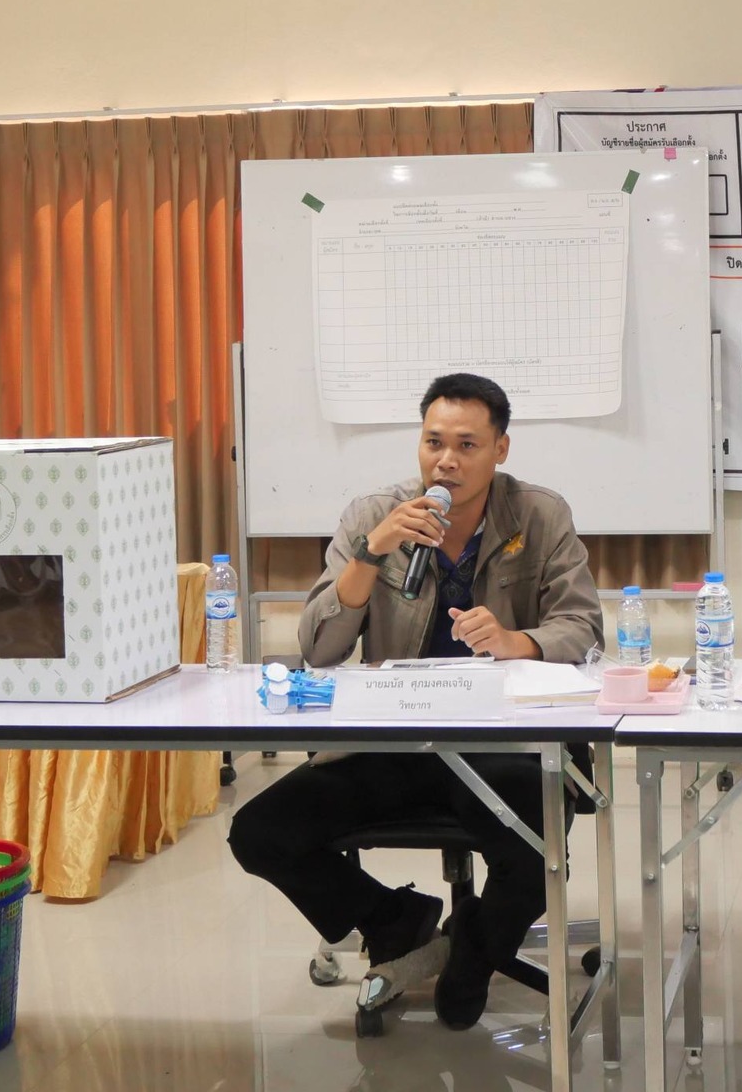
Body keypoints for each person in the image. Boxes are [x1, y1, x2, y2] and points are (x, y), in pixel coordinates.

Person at [227, 372, 603, 1029]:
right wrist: (370, 554)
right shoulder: (373, 516)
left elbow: (583, 627)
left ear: (501, 449)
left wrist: (515, 641)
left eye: (467, 445)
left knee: (535, 849)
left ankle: (472, 955)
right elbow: (318, 648)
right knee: (260, 833)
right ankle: (394, 918)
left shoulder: (540, 515)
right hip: (394, 741)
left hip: (503, 743)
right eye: (434, 442)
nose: (446, 461)